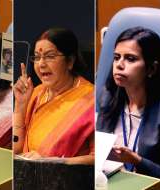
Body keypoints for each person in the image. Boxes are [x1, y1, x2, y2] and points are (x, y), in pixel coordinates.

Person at [97, 27, 160, 189]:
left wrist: (136, 160)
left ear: (151, 69)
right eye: (116, 57)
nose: (119, 65)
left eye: (130, 59)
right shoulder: (107, 99)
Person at [13, 27, 94, 165]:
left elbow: (98, 158)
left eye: (50, 56)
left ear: (70, 61)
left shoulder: (91, 100)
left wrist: (52, 163)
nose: (41, 64)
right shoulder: (36, 93)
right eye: (37, 57)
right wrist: (20, 107)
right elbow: (16, 149)